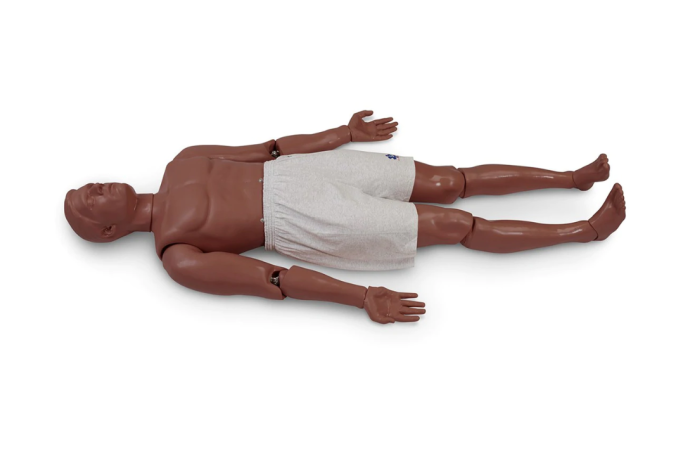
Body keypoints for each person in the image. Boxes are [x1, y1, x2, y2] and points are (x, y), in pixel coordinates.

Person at [64, 111, 625, 324]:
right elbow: (272, 279)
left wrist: (342, 133)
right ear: (108, 232)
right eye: (88, 202)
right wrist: (361, 298)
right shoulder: (177, 255)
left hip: (300, 172)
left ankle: (569, 179)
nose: (94, 188)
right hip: (301, 219)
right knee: (455, 226)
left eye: (88, 186)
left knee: (448, 180)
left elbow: (270, 148)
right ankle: (583, 231)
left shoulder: (182, 160)